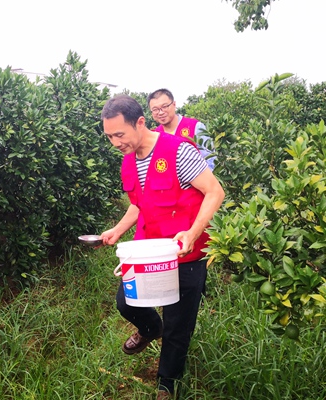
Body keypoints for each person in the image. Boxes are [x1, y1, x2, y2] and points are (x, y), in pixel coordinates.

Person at [99, 94, 225, 399]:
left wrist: (193, 233)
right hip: (149, 250)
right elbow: (138, 204)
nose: (116, 143)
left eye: (120, 134)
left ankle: (167, 383)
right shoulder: (129, 162)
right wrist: (117, 230)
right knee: (127, 302)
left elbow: (214, 192)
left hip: (185, 253)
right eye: (109, 137)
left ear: (140, 123)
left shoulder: (179, 151)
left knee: (177, 325)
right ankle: (149, 329)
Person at [147, 88, 215, 171]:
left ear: (174, 104)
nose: (161, 112)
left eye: (164, 107)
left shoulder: (195, 126)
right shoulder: (155, 135)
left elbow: (210, 160)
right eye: (155, 109)